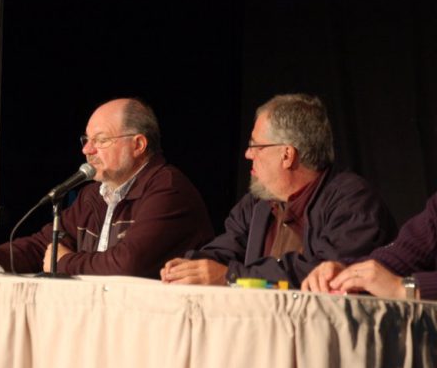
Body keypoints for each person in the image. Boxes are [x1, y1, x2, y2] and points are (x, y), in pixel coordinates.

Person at [0, 97, 214, 278]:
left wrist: (64, 261)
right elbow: (39, 247)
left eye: (101, 140)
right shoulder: (92, 195)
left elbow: (127, 264)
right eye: (86, 140)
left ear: (138, 144)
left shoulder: (167, 190)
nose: (88, 149)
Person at [161, 93, 396, 288]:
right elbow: (226, 248)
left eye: (256, 145)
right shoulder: (258, 201)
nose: (248, 154)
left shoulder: (353, 201)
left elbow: (323, 273)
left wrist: (231, 277)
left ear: (287, 155)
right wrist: (190, 266)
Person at [301, 193, 437, 300]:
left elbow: (396, 285)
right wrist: (347, 271)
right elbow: (406, 251)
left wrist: (405, 289)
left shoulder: (351, 194)